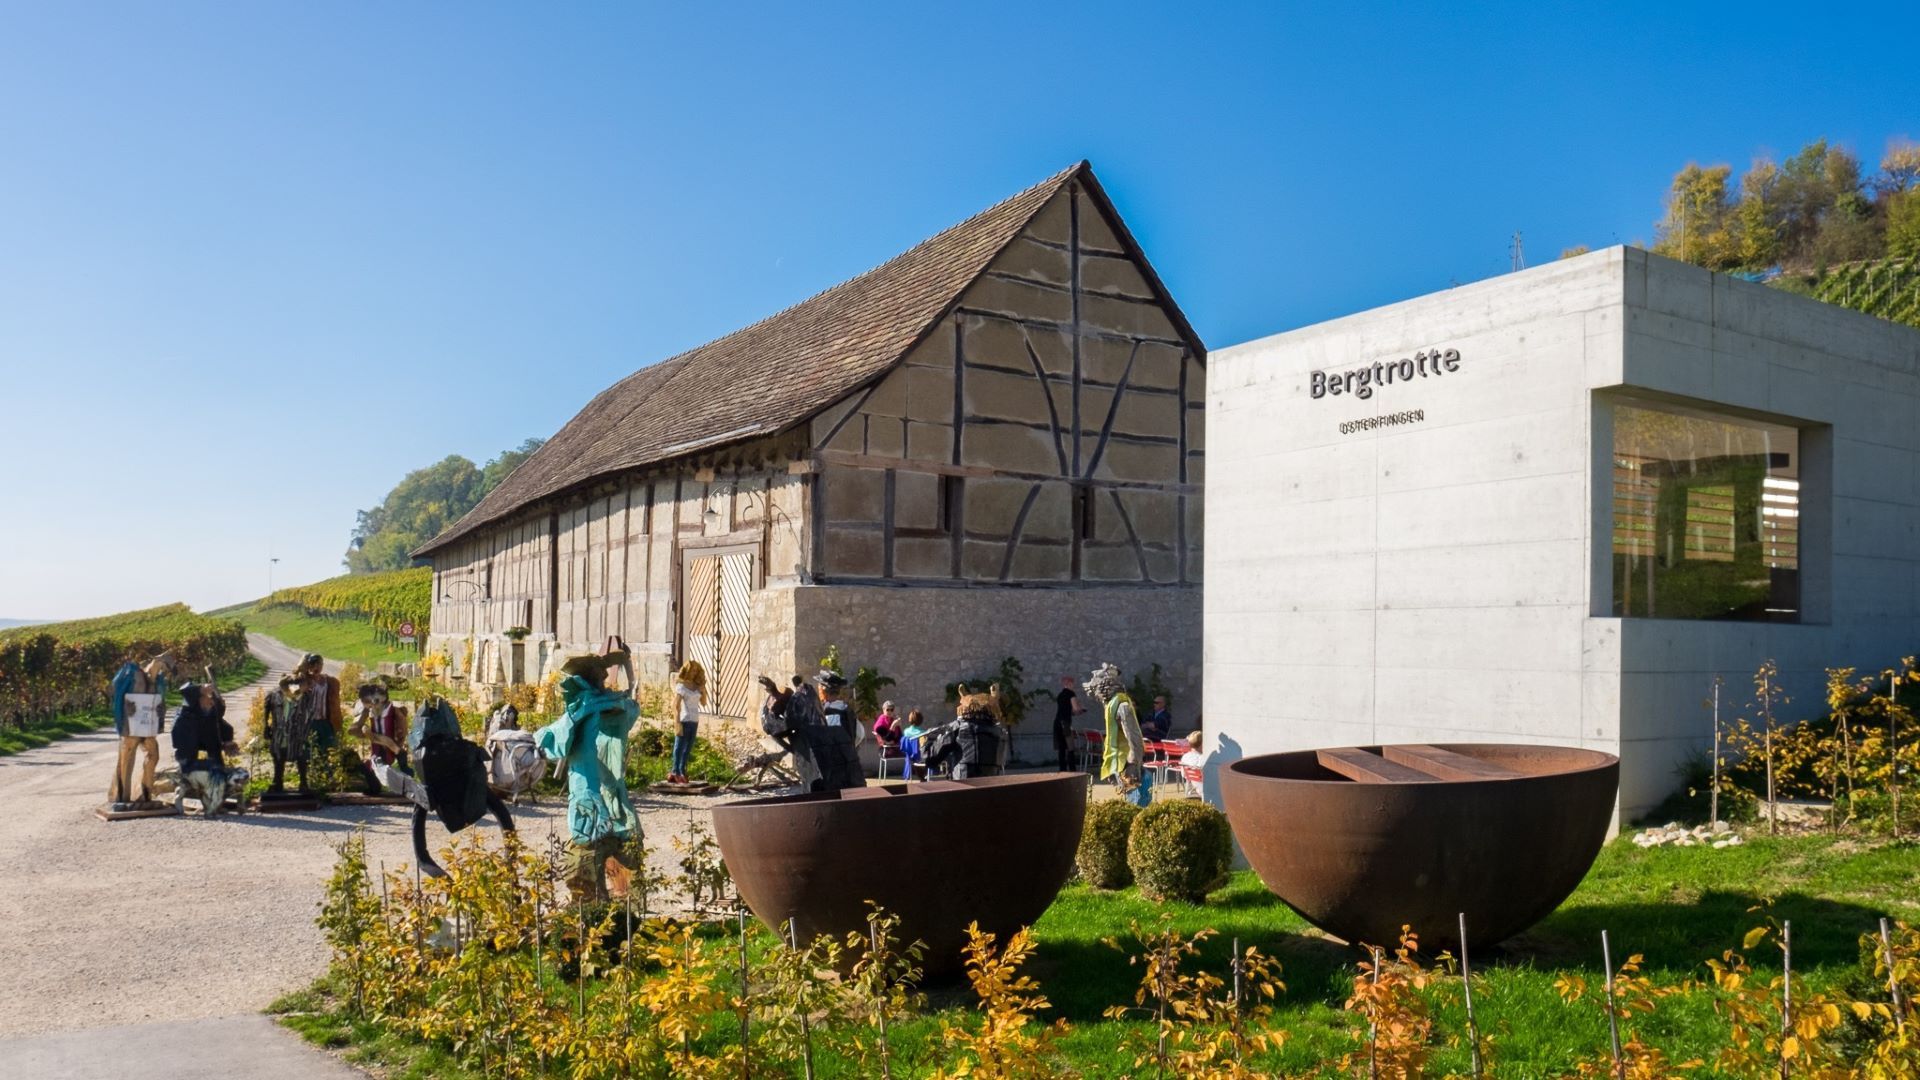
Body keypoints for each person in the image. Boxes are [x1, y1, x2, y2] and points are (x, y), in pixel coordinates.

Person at [534, 649, 638, 900]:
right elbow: (630, 708)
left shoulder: (588, 706)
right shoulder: (596, 705)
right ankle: (607, 897)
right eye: (601, 677)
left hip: (592, 783)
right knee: (596, 839)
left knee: (593, 840)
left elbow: (551, 741)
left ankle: (607, 898)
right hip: (596, 783)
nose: (605, 681)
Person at [107, 651, 175, 809]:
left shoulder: (157, 681)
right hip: (130, 725)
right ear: (157, 662)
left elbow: (159, 701)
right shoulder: (134, 673)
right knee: (126, 759)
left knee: (153, 755)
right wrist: (126, 706)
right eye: (163, 667)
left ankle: (143, 793)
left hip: (147, 726)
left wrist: (160, 710)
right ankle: (120, 797)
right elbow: (116, 690)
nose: (163, 672)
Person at [170, 680, 244, 816]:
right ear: (199, 699)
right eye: (208, 698)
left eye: (212, 700)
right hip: (187, 743)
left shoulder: (211, 715)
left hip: (206, 740)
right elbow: (185, 690)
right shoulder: (187, 714)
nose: (211, 702)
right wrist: (201, 688)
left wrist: (227, 741)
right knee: (189, 771)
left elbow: (222, 727)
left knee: (217, 767)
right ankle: (187, 795)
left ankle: (216, 801)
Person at [1086, 663, 1149, 807]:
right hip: (1120, 761)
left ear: (1104, 686)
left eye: (1096, 690)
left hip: (1127, 762)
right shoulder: (1112, 705)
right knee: (1129, 803)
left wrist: (1133, 762)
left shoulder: (1122, 706)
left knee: (1135, 805)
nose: (1096, 695)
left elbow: (1134, 737)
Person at [921, 684, 1007, 780]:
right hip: (991, 786)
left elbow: (930, 759)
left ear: (964, 708)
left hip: (963, 786)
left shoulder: (957, 728)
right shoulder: (999, 732)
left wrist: (928, 740)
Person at [349, 676, 410, 794]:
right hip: (377, 748)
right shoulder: (369, 711)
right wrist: (364, 730)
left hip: (392, 748)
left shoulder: (393, 711)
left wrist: (399, 745)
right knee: (369, 767)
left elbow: (402, 730)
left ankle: (406, 785)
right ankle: (375, 787)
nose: (372, 705)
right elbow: (353, 730)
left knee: (385, 765)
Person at [668, 659, 707, 785]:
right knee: (679, 746)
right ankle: (675, 771)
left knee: (688, 747)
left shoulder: (697, 686)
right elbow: (675, 705)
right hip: (684, 719)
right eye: (692, 670)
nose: (694, 672)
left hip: (694, 720)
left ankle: (682, 771)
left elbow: (704, 703)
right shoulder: (681, 686)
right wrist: (677, 722)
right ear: (687, 670)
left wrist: (703, 690)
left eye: (696, 670)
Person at [1051, 675, 1085, 772]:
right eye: (1073, 683)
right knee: (1070, 746)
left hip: (1057, 722)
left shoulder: (1060, 695)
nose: (1073, 686)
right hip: (1065, 723)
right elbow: (1075, 709)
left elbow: (1065, 709)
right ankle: (1072, 769)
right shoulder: (1071, 693)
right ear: (1069, 683)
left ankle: (1062, 769)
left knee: (1061, 747)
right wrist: (1081, 709)